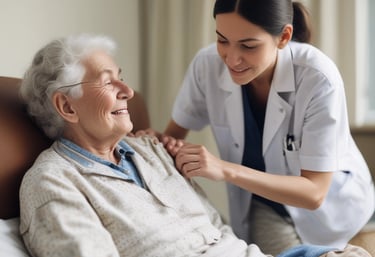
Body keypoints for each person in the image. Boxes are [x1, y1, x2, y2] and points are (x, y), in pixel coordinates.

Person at [17, 34, 372, 257]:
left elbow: (218, 230)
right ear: (66, 106)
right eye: (109, 83)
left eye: (122, 78)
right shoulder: (53, 182)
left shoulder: (149, 150)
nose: (128, 91)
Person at [140, 0, 375, 255]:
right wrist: (154, 144)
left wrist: (224, 169)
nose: (231, 58)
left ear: (284, 37)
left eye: (248, 46)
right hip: (267, 209)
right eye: (222, 40)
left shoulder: (318, 77)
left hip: (337, 211)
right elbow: (172, 137)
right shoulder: (206, 66)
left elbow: (314, 192)